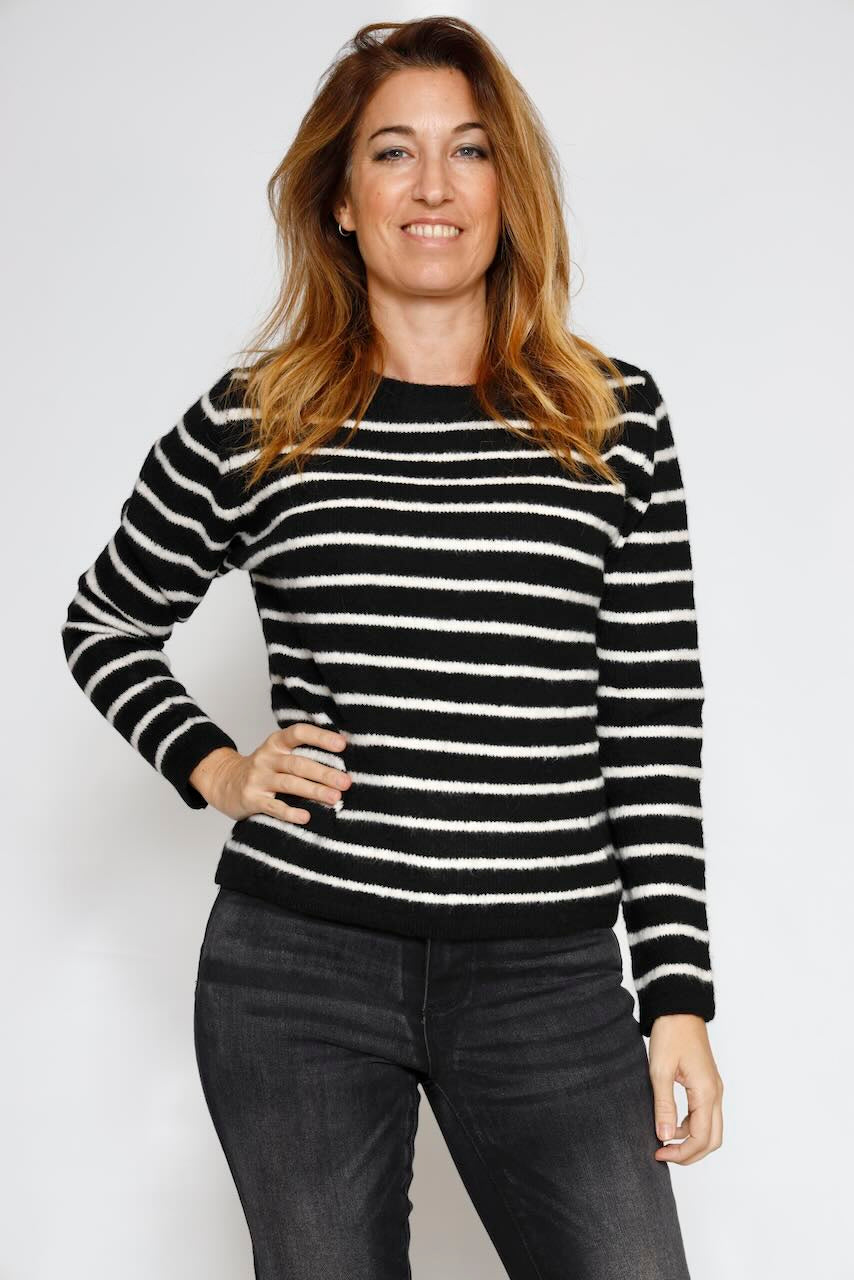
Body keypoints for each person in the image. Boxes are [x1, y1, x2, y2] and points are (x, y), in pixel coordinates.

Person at [61, 16, 723, 1279]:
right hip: (300, 966)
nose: (432, 185)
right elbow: (105, 621)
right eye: (392, 152)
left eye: (468, 151)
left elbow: (648, 722)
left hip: (546, 973)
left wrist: (677, 994)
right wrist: (218, 767)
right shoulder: (259, 418)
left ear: (507, 189)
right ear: (340, 199)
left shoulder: (609, 417)